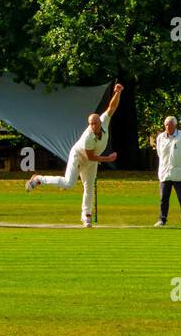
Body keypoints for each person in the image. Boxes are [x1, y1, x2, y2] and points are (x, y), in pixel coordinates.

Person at [26, 82, 124, 227]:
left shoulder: (103, 121)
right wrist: (107, 159)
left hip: (92, 160)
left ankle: (86, 216)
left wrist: (118, 92)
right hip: (79, 155)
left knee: (89, 187)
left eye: (95, 123)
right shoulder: (88, 138)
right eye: (91, 124)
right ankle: (39, 179)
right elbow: (90, 156)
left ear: (99, 122)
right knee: (69, 183)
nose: (93, 126)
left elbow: (112, 107)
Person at [154, 116, 181, 227]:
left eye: (170, 124)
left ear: (175, 125)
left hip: (179, 174)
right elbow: (160, 154)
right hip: (165, 173)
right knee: (163, 198)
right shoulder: (160, 138)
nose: (168, 127)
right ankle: (162, 220)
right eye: (166, 124)